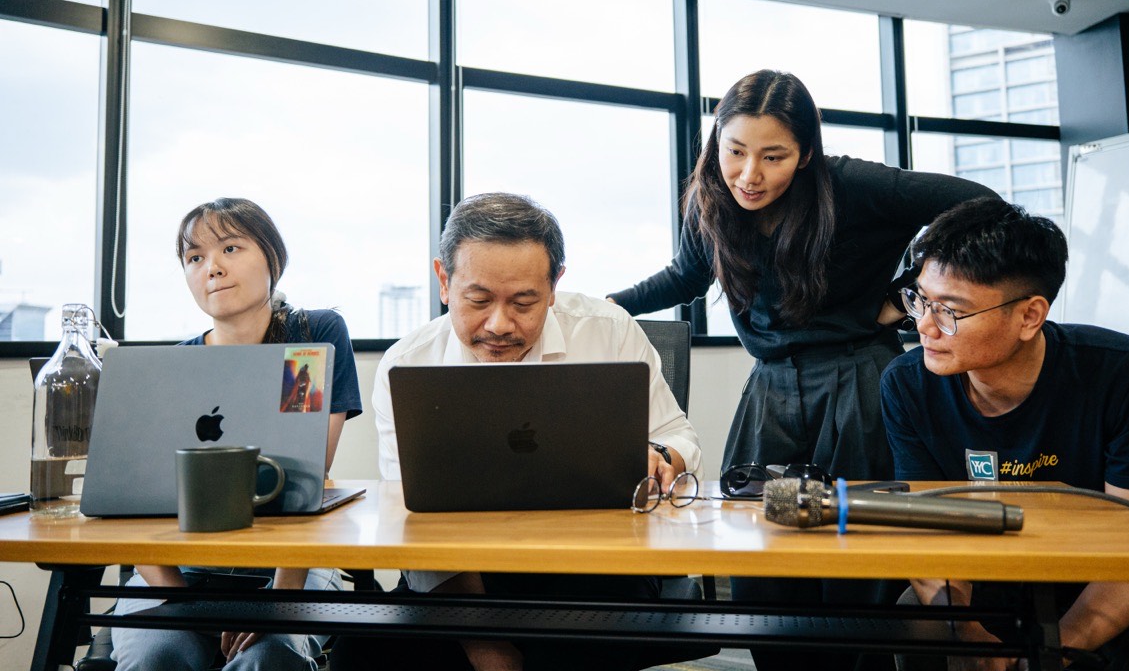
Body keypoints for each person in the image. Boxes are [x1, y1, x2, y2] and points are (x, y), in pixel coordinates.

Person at [608, 68, 997, 670]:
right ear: (717, 143)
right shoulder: (712, 198)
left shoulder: (851, 185)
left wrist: (909, 293)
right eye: (734, 152)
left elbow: (980, 207)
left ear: (806, 152)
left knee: (854, 559)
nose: (749, 175)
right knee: (762, 551)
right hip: (768, 388)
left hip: (858, 380)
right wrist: (600, 307)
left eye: (773, 156)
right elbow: (685, 276)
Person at [334, 191, 702, 671]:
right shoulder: (408, 364)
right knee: (357, 653)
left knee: (575, 646)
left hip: (594, 565)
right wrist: (484, 644)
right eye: (479, 300)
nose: (499, 324)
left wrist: (661, 457)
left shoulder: (607, 331)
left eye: (525, 302)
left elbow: (680, 437)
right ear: (444, 281)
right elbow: (416, 521)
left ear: (554, 286)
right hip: (461, 572)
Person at [881, 196, 1129, 670]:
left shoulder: (1126, 373)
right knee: (914, 622)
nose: (924, 326)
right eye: (920, 300)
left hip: (1116, 565)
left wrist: (1059, 650)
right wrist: (969, 635)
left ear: (1029, 316)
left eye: (950, 310)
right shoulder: (908, 385)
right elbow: (929, 537)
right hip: (992, 564)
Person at [111, 197, 363, 671]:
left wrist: (279, 599)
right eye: (195, 257)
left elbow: (307, 481)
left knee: (268, 657)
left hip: (291, 567)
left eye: (230, 248)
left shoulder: (309, 340)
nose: (212, 268)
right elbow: (129, 501)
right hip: (179, 567)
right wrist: (182, 604)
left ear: (272, 257)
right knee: (159, 655)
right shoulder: (171, 369)